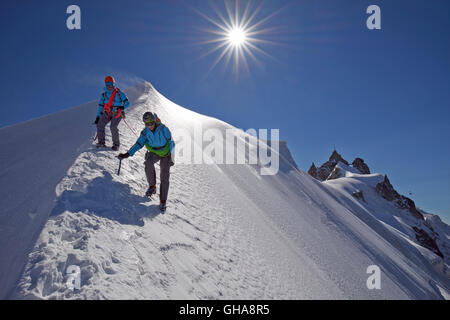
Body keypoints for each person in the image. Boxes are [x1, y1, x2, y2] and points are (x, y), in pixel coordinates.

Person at [118, 112, 175, 212]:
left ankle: (163, 201)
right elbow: (138, 144)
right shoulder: (145, 132)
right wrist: (127, 154)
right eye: (147, 124)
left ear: (155, 121)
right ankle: (152, 186)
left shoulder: (163, 129)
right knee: (148, 163)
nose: (150, 126)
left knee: (164, 176)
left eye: (151, 123)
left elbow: (171, 142)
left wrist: (172, 157)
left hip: (166, 154)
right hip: (154, 152)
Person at [94, 76, 130, 150]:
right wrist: (98, 117)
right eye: (108, 85)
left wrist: (122, 108)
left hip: (117, 113)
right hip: (107, 112)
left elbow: (127, 103)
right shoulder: (104, 95)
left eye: (111, 85)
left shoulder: (119, 93)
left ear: (113, 84)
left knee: (113, 127)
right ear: (105, 85)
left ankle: (116, 145)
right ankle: (101, 142)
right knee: (99, 124)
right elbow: (101, 107)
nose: (109, 87)